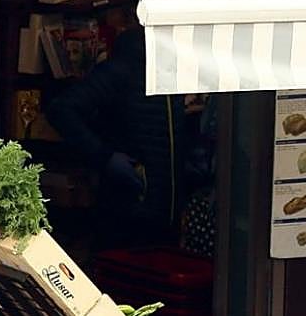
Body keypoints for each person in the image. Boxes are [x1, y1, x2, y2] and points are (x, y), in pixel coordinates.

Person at [46, 26, 195, 250]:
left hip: (167, 214)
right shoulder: (123, 69)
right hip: (128, 211)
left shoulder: (170, 73)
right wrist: (106, 157)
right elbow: (61, 110)